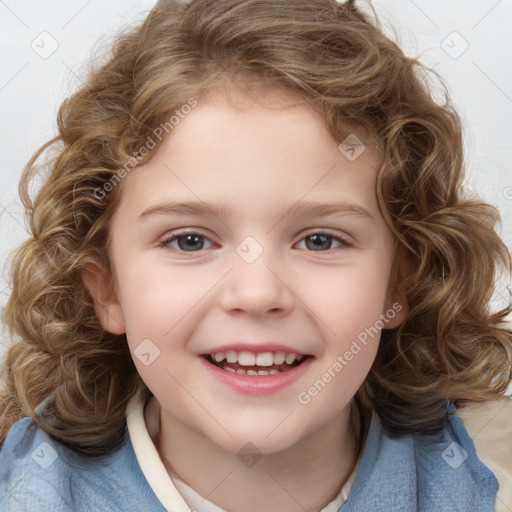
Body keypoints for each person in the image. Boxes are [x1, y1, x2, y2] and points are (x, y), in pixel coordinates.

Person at [0, 0, 511, 510]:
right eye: (190, 240)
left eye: (319, 240)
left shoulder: (488, 480)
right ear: (106, 289)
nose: (257, 292)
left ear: (399, 283)